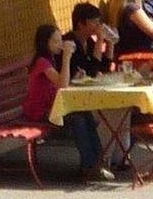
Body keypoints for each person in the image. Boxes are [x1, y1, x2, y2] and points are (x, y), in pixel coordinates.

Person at [21, 23, 114, 183]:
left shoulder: (49, 59)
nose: (60, 45)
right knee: (77, 119)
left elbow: (62, 82)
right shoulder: (42, 62)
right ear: (45, 43)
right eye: (56, 42)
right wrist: (66, 58)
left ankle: (98, 161)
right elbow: (63, 86)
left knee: (84, 113)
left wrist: (75, 77)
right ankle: (89, 165)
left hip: (52, 107)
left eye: (60, 40)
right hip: (39, 112)